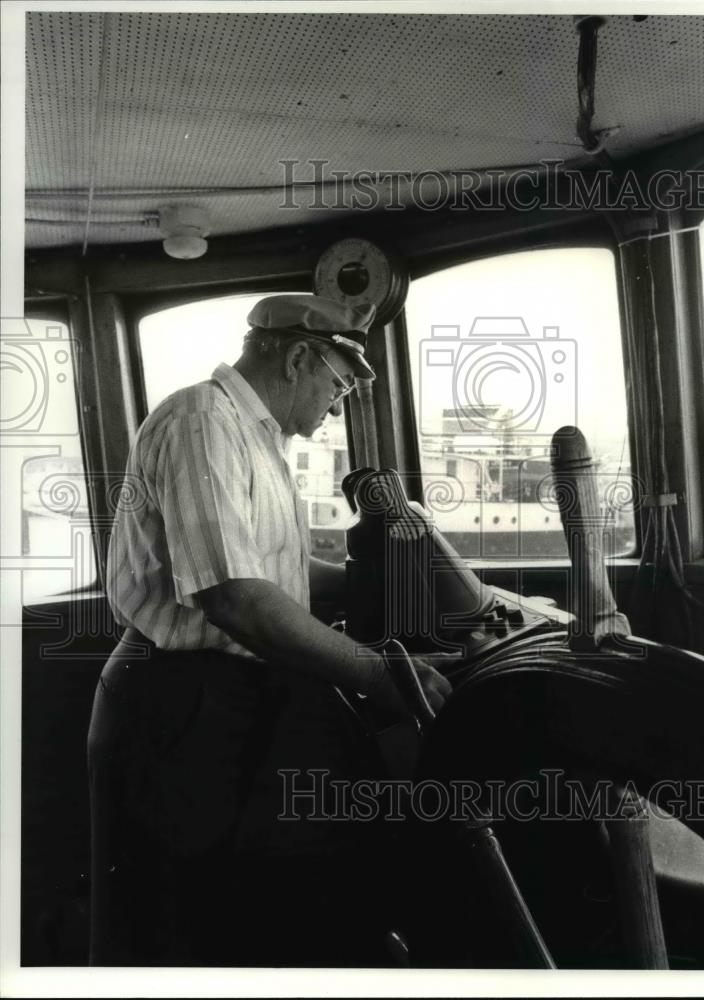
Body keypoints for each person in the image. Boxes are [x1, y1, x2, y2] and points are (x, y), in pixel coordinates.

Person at [87, 293, 452, 966]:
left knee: (240, 907)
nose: (336, 407)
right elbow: (234, 596)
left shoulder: (256, 438)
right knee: (179, 923)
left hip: (226, 695)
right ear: (298, 357)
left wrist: (379, 575)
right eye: (336, 386)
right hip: (177, 703)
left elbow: (264, 571)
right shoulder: (203, 422)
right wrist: (381, 676)